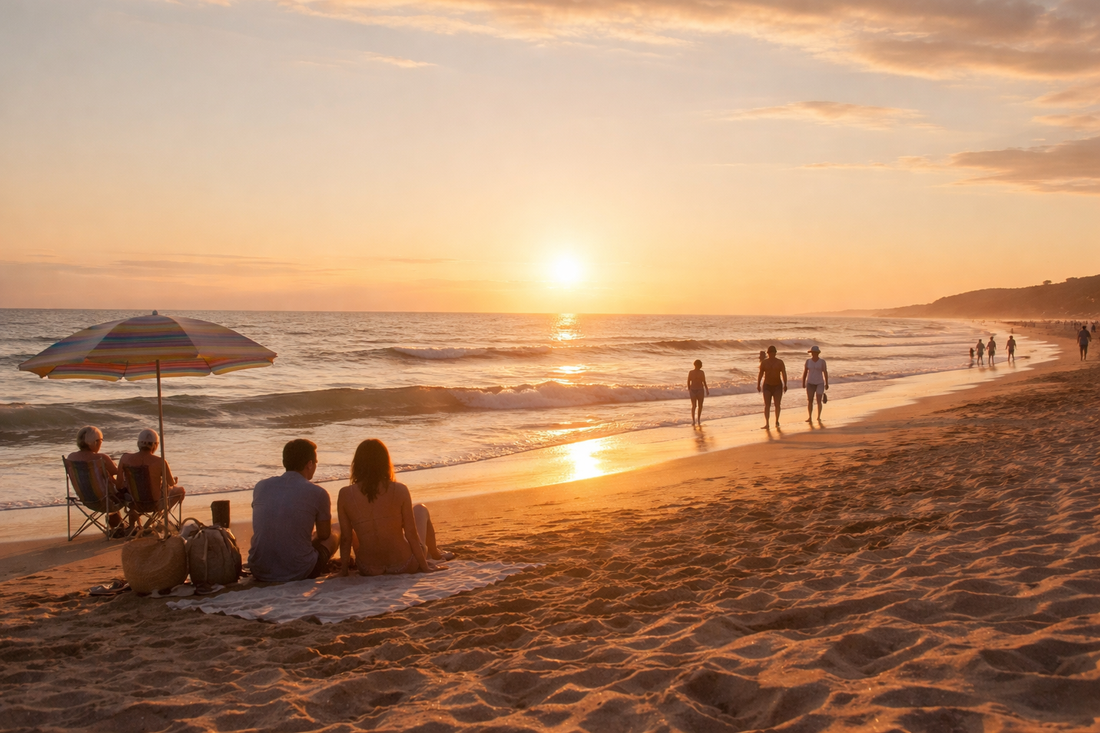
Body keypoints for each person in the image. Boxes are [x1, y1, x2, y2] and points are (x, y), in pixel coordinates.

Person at [338, 439, 450, 577]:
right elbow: (411, 533)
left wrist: (343, 572)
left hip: (368, 568)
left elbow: (346, 538)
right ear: (385, 462)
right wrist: (424, 566)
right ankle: (435, 554)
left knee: (352, 532)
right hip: (404, 564)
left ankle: (435, 554)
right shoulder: (400, 489)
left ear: (357, 464)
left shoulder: (344, 494)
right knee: (421, 509)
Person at [248, 438, 338, 582]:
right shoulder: (318, 493)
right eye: (315, 463)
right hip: (300, 570)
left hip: (259, 569)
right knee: (336, 530)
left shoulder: (261, 486)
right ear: (309, 464)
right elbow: (324, 534)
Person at [67, 426, 126, 531]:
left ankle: (117, 524)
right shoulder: (101, 458)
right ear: (95, 442)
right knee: (123, 488)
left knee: (106, 479)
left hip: (86, 500)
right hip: (106, 502)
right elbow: (117, 472)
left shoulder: (71, 457)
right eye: (100, 441)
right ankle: (130, 526)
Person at [117, 428, 185, 511]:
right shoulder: (160, 462)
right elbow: (171, 483)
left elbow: (118, 486)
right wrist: (174, 481)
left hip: (134, 503)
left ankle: (134, 517)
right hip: (155, 504)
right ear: (155, 445)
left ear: (138, 443)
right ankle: (163, 516)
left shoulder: (125, 459)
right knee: (180, 490)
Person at [756, 345, 787, 429]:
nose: (772, 354)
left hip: (778, 386)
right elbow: (760, 374)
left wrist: (785, 384)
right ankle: (767, 423)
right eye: (770, 353)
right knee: (767, 405)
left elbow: (784, 373)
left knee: (777, 404)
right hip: (767, 385)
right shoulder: (764, 363)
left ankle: (777, 420)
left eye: (773, 352)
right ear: (768, 353)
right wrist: (758, 384)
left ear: (775, 353)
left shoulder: (780, 362)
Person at [802, 345, 829, 422]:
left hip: (820, 382)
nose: (813, 354)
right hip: (810, 382)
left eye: (815, 352)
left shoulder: (822, 362)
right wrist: (803, 382)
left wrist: (827, 383)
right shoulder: (808, 361)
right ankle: (810, 417)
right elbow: (805, 372)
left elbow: (825, 372)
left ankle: (818, 417)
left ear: (818, 353)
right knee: (810, 400)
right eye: (812, 352)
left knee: (818, 400)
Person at [687, 360, 709, 426]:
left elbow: (704, 381)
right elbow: (688, 381)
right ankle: (693, 420)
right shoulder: (691, 372)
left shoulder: (701, 372)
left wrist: (707, 389)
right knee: (694, 406)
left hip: (700, 390)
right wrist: (689, 389)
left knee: (700, 406)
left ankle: (698, 419)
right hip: (693, 390)